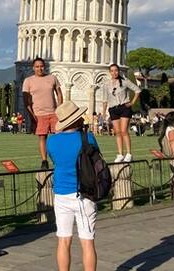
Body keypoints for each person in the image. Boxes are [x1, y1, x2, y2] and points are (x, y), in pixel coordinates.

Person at [46, 101, 99, 271]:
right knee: (87, 241)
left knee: (63, 240)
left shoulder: (51, 141)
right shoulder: (88, 138)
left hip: (61, 193)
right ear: (77, 120)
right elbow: (96, 160)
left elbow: (56, 160)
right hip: (84, 193)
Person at [100, 64, 141, 162]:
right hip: (113, 109)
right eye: (112, 71)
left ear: (119, 71)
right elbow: (105, 99)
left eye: (116, 70)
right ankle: (120, 154)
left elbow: (138, 90)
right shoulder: (106, 84)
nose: (114, 73)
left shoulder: (124, 81)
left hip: (124, 107)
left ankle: (129, 153)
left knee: (124, 131)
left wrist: (132, 103)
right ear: (110, 72)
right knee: (117, 132)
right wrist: (104, 112)